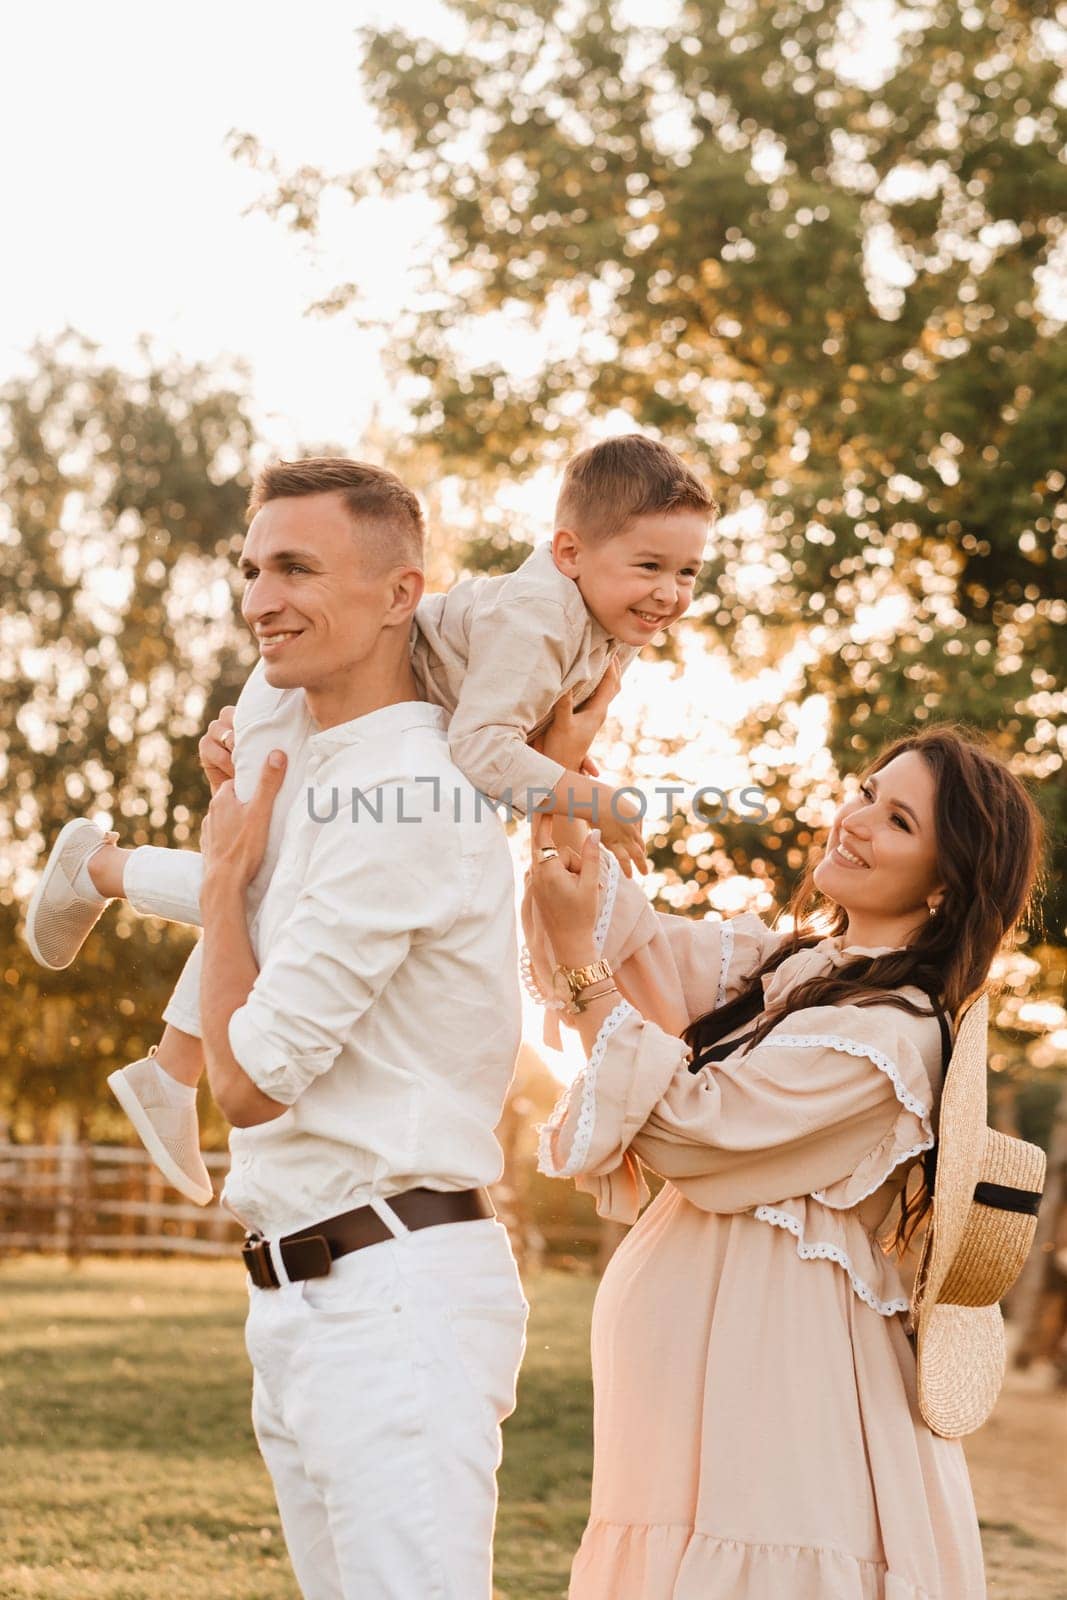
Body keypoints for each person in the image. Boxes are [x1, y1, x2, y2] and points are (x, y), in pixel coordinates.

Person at [56, 468, 529, 1598]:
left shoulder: (410, 796)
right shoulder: (315, 778)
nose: (261, 597)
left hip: (394, 1298)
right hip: (304, 1292)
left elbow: (254, 1079)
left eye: (297, 568)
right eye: (252, 569)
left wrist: (222, 886)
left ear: (398, 592)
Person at [24, 441, 714, 1202]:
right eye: (649, 567)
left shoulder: (599, 620)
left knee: (277, 883)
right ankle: (110, 898)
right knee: (261, 880)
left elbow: (513, 748)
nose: (671, 593)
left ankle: (160, 1049)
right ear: (568, 551)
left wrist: (559, 772)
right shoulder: (541, 619)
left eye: (687, 573)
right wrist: (598, 800)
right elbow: (483, 750)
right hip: (308, 691)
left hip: (380, 723)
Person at [524, 708, 1044, 1599]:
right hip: (701, 1385)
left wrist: (580, 964)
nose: (855, 818)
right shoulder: (795, 967)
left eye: (897, 821)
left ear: (945, 888)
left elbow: (697, 1129)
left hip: (779, 1378)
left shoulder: (891, 1035)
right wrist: (560, 791)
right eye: (867, 794)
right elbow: (639, 952)